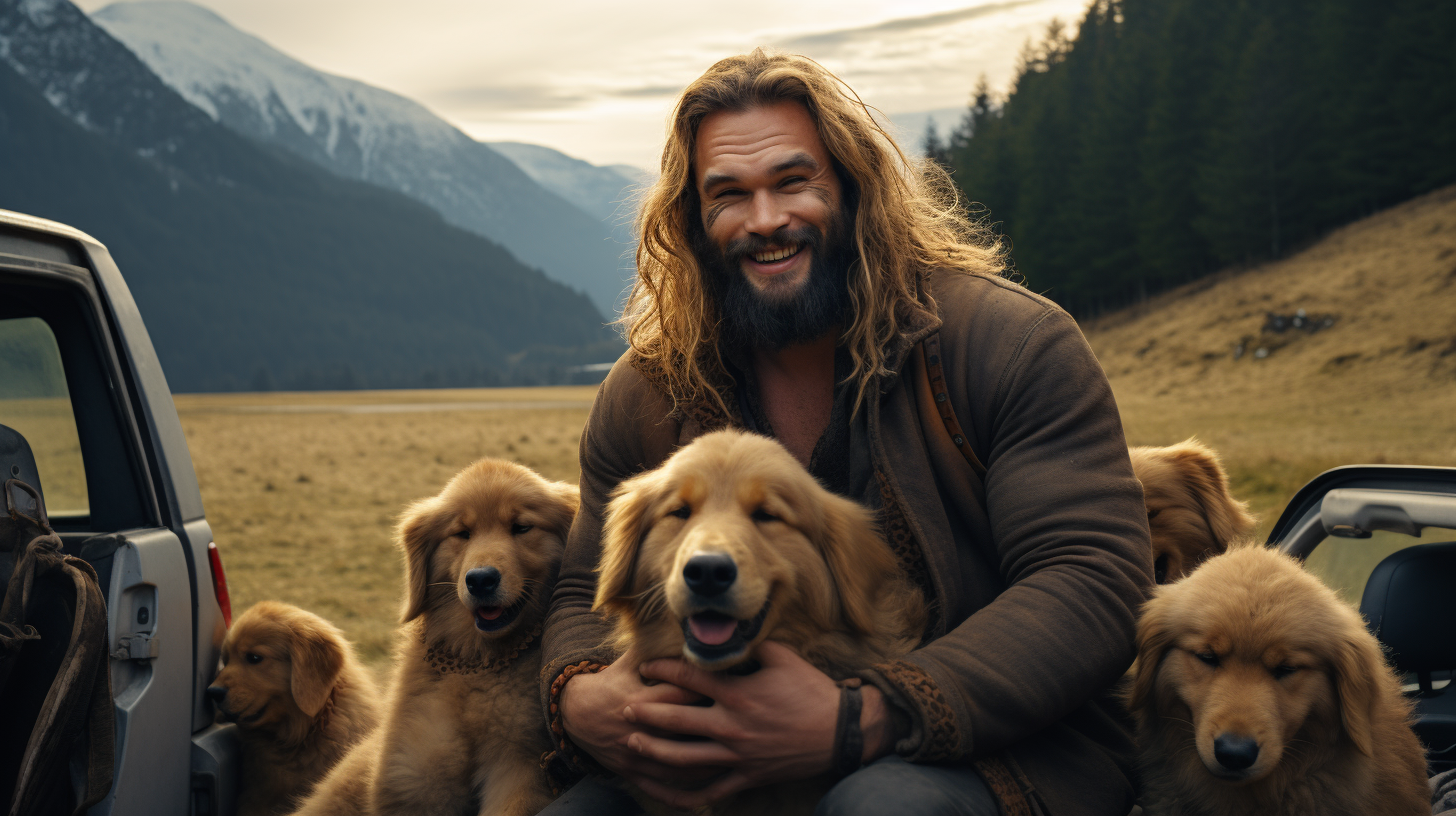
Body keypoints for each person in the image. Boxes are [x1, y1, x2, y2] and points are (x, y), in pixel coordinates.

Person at [538, 49, 1153, 816]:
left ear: (855, 188)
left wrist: (866, 717)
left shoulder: (1010, 344)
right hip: (706, 744)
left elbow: (1089, 580)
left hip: (1008, 748)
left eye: (794, 182)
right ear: (694, 222)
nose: (766, 221)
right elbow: (577, 587)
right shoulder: (646, 391)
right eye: (729, 194)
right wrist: (580, 695)